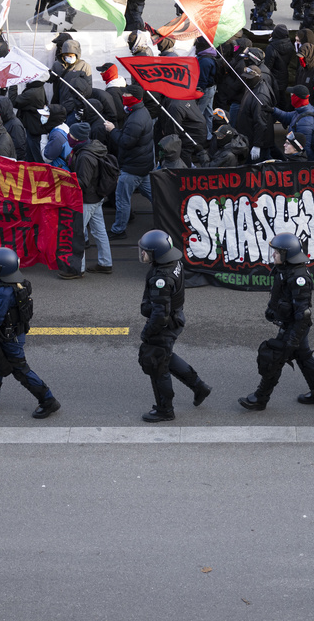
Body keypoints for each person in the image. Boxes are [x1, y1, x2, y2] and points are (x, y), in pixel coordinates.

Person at [239, 234, 314, 410]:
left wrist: (292, 338)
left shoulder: (299, 277)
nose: (273, 255)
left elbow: (303, 314)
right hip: (291, 324)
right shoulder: (286, 269)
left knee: (275, 359)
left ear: (288, 254)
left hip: (295, 327)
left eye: (277, 252)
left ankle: (260, 399)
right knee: (304, 357)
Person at [0, 248, 60, 418]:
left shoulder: (4, 292)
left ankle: (48, 400)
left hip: (10, 338)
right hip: (7, 334)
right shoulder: (13, 283)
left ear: (3, 270)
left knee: (20, 370)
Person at [137, 230, 212, 422]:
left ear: (157, 253)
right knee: (165, 356)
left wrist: (146, 333)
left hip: (164, 326)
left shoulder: (161, 279)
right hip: (175, 318)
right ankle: (199, 387)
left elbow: (160, 315)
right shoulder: (173, 262)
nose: (143, 254)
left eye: (146, 251)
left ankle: (165, 409)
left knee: (157, 364)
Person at [57, 122, 113, 279]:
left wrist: (66, 179)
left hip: (87, 199)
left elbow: (83, 182)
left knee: (78, 233)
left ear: (77, 138)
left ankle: (77, 269)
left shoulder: (85, 156)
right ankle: (105, 263)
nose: (69, 137)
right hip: (97, 196)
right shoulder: (92, 148)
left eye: (72, 136)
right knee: (99, 231)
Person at [105, 85, 155, 239]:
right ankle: (169, 215)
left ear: (133, 97)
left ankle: (118, 230)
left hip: (132, 168)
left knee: (122, 200)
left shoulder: (135, 119)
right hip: (142, 164)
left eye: (126, 93)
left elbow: (126, 142)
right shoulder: (140, 112)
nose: (123, 95)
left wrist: (112, 130)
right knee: (155, 195)